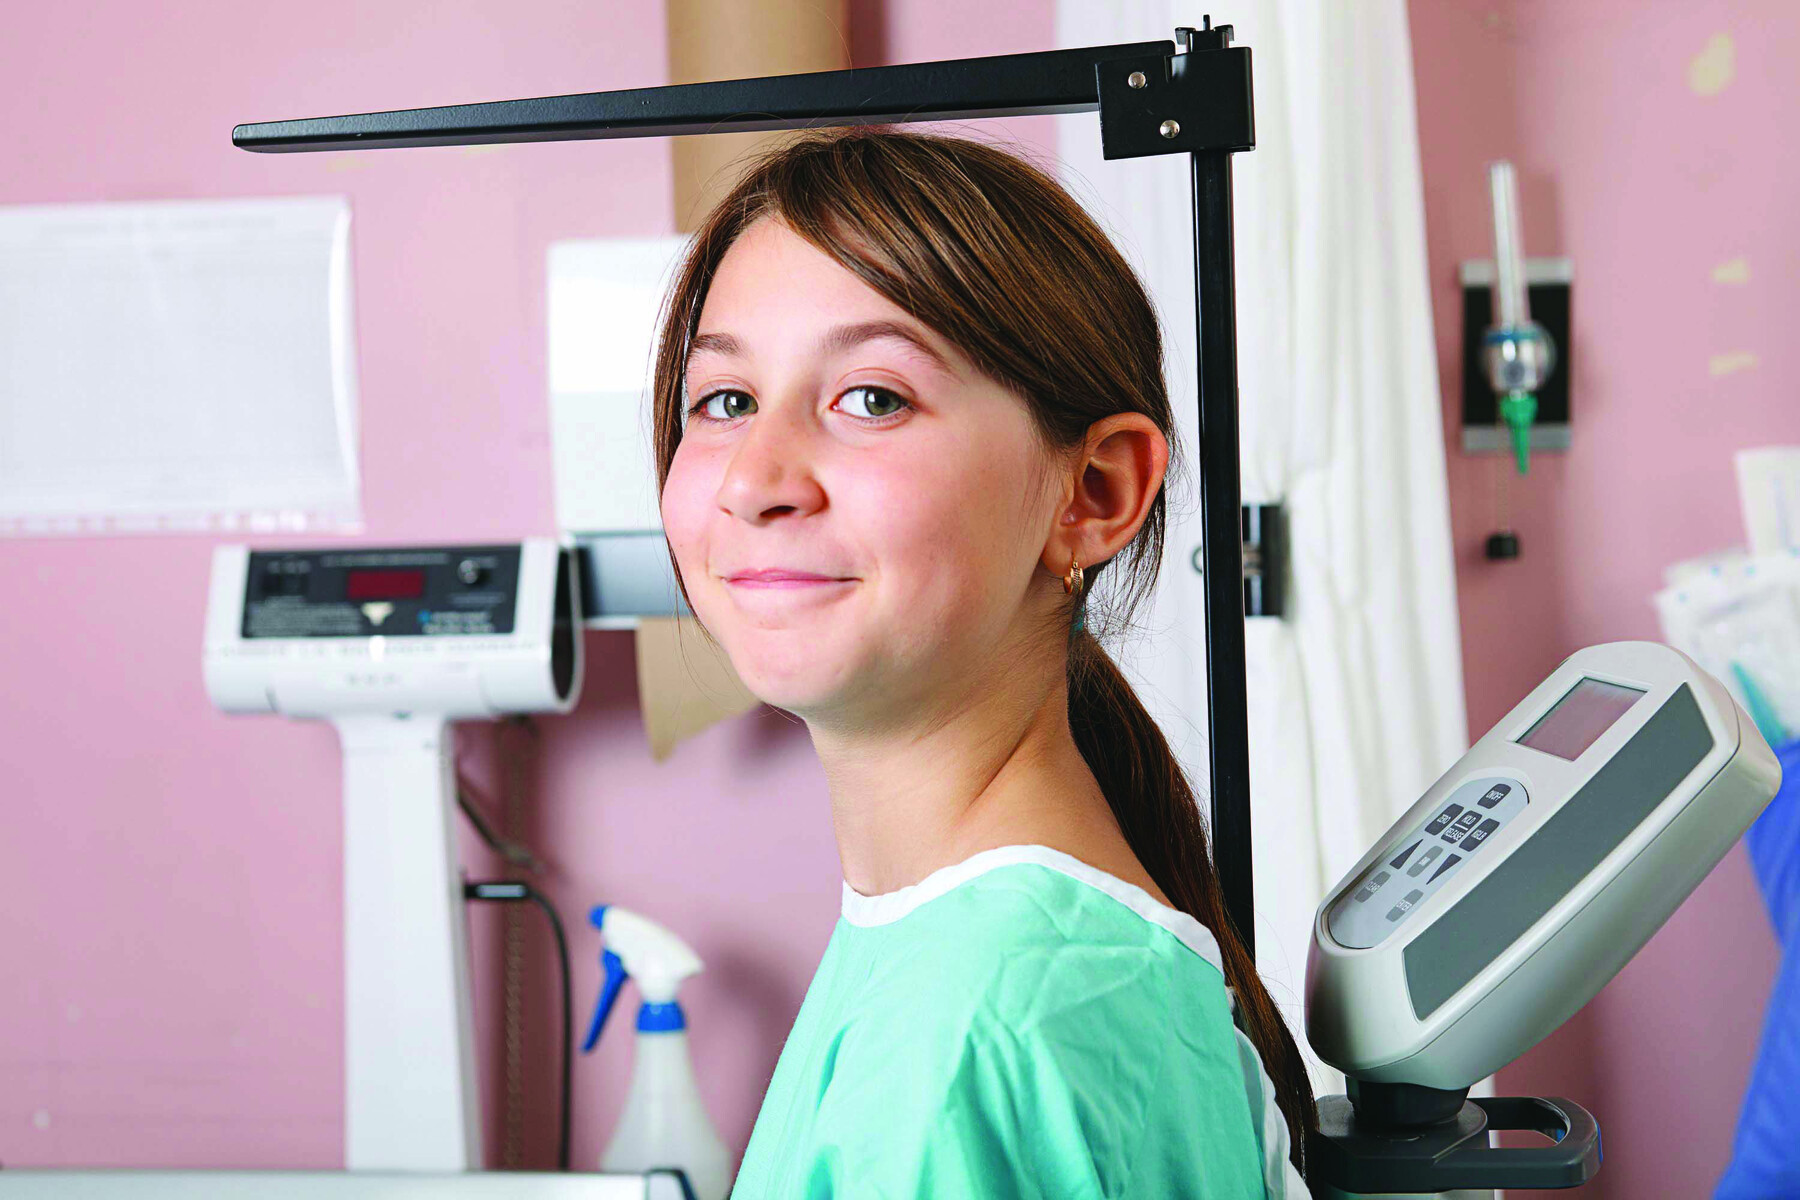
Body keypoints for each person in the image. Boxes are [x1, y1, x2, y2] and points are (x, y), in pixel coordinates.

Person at [650, 128, 1314, 1198]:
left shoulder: (976, 1028)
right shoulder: (991, 950)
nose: (755, 480)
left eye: (872, 398)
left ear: (1092, 492)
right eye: (724, 400)